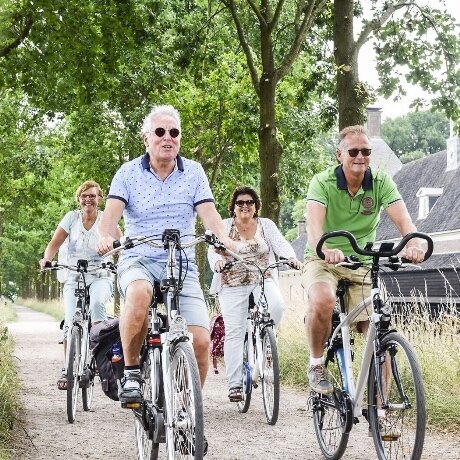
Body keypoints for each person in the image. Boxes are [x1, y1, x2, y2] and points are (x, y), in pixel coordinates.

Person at [96, 105, 234, 415]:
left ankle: (187, 413)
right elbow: (107, 224)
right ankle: (131, 374)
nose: (167, 138)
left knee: (199, 341)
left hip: (181, 262)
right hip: (139, 257)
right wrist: (105, 238)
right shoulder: (127, 173)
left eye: (174, 132)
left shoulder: (194, 172)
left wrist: (226, 244)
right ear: (146, 138)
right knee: (140, 293)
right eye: (160, 132)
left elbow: (212, 220)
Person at [302, 125, 425, 397]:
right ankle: (316, 363)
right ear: (339, 154)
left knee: (377, 328)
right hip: (324, 259)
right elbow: (313, 229)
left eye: (366, 151)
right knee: (323, 300)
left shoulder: (380, 182)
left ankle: (381, 410)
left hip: (361, 262)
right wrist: (326, 248)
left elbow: (405, 222)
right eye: (354, 151)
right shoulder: (322, 182)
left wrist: (414, 244)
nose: (361, 156)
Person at [208, 186, 302, 402]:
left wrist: (291, 258)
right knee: (235, 331)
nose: (245, 206)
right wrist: (218, 262)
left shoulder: (265, 225)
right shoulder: (224, 226)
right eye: (240, 202)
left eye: (250, 202)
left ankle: (266, 341)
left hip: (262, 277)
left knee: (277, 306)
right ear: (233, 207)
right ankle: (235, 384)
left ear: (256, 206)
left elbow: (280, 244)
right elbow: (213, 250)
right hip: (232, 282)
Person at [39, 180, 121, 390]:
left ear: (99, 198)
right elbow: (53, 245)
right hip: (74, 274)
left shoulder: (107, 220)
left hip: (100, 274)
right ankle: (67, 369)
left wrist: (125, 266)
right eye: (84, 196)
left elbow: (123, 246)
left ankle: (98, 358)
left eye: (92, 196)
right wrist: (46, 259)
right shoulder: (71, 218)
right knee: (69, 322)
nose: (88, 200)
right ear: (79, 199)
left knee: (96, 307)